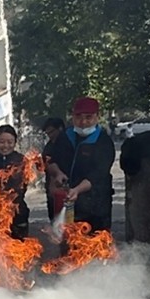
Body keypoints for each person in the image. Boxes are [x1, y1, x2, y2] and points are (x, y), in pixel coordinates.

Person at [43, 96, 115, 233]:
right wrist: (57, 173)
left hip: (95, 206)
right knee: (65, 239)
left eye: (88, 117)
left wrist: (77, 190)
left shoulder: (103, 142)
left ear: (97, 117)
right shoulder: (65, 136)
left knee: (94, 242)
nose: (83, 122)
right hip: (65, 202)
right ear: (73, 117)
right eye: (78, 117)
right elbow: (50, 159)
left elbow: (98, 174)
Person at [41, 116, 66, 221]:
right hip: (52, 187)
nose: (49, 135)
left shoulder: (68, 144)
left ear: (60, 128)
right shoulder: (49, 147)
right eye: (47, 133)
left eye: (51, 132)